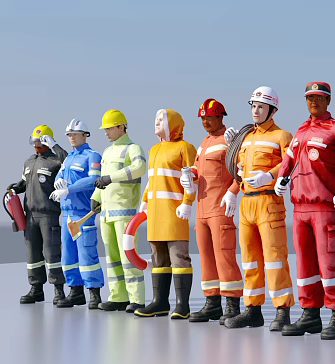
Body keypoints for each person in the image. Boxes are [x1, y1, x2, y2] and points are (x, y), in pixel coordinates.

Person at [275, 82, 335, 340]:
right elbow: (289, 158)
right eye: (310, 97)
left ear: (328, 100)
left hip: (324, 206)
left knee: (329, 261)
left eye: (319, 98)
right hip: (299, 208)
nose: (313, 102)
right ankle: (310, 313)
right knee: (305, 263)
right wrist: (281, 176)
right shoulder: (300, 131)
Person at [222, 86, 295, 330]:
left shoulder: (282, 137)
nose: (255, 110)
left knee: (275, 258)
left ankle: (282, 311)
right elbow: (239, 167)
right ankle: (252, 309)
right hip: (247, 203)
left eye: (261, 106)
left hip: (269, 202)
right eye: (253, 106)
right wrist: (234, 190)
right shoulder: (246, 138)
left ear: (272, 110)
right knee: (250, 260)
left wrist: (269, 176)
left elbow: (291, 165)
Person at [182, 99, 244, 323]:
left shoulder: (230, 141)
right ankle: (212, 302)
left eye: (209, 117)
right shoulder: (204, 143)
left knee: (224, 256)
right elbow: (200, 170)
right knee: (206, 258)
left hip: (220, 208)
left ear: (220, 117)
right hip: (202, 209)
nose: (206, 121)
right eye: (203, 118)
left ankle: (231, 304)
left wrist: (233, 191)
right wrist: (191, 176)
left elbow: (242, 169)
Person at [133, 109, 197, 319]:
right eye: (156, 119)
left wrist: (188, 202)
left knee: (179, 257)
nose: (156, 123)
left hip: (175, 212)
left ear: (173, 124)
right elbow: (151, 181)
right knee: (158, 258)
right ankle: (159, 303)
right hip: (155, 213)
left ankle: (182, 305)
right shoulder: (153, 150)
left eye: (161, 119)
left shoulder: (185, 148)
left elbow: (192, 178)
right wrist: (144, 202)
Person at [92, 110, 147, 312]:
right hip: (106, 214)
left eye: (109, 128)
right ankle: (117, 297)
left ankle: (137, 299)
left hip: (125, 213)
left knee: (128, 256)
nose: (106, 132)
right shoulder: (107, 152)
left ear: (121, 127)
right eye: (104, 129)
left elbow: (140, 168)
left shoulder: (133, 149)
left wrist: (111, 178)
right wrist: (95, 198)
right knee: (112, 258)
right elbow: (101, 179)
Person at [7, 125, 67, 305]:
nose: (36, 146)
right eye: (34, 142)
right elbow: (25, 182)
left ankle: (58, 290)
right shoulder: (29, 162)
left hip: (49, 215)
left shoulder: (56, 161)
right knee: (32, 254)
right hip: (29, 216)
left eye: (40, 142)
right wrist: (15, 188)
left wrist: (55, 146)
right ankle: (36, 289)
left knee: (52, 253)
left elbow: (69, 162)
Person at [52, 119, 104, 309]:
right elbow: (60, 175)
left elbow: (93, 180)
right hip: (66, 213)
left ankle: (94, 293)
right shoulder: (68, 158)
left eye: (74, 134)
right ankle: (75, 291)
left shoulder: (92, 156)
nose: (71, 137)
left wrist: (69, 189)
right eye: (69, 134)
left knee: (87, 253)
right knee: (68, 255)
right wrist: (58, 183)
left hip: (83, 213)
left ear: (85, 135)